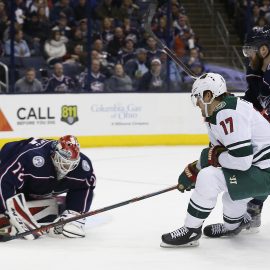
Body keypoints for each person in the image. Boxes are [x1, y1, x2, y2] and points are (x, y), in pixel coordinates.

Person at [161, 73, 270, 247]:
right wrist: (194, 169)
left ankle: (191, 230)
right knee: (231, 198)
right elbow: (216, 152)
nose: (196, 103)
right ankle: (234, 226)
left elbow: (241, 161)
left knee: (209, 177)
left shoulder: (228, 113)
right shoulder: (218, 113)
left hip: (264, 171)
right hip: (259, 170)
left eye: (198, 97)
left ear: (208, 95)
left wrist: (209, 163)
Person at [0, 135, 96, 240]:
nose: (66, 167)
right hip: (6, 161)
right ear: (54, 153)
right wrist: (10, 209)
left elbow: (87, 186)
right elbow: (4, 179)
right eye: (63, 161)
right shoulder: (32, 158)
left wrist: (75, 212)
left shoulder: (83, 165)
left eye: (70, 164)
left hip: (41, 188)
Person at [242, 25, 270, 228]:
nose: (248, 55)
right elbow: (251, 102)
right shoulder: (256, 71)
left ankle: (254, 207)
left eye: (250, 50)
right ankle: (254, 208)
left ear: (263, 50)